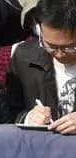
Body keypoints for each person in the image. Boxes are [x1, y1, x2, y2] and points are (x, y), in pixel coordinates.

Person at [6, 0, 76, 132]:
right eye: (50, 46)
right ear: (38, 30)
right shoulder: (24, 58)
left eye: (70, 47)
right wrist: (27, 118)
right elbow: (8, 112)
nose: (60, 54)